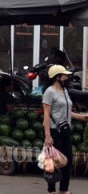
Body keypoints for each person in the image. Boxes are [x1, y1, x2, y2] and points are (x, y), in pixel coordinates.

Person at [42, 64, 88, 194]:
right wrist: (47, 136)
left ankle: (64, 190)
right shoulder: (49, 92)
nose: (67, 77)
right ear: (57, 77)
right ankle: (51, 190)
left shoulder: (65, 91)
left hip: (65, 130)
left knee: (67, 160)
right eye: (64, 75)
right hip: (53, 130)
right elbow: (46, 114)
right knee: (52, 161)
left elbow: (67, 113)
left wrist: (82, 117)